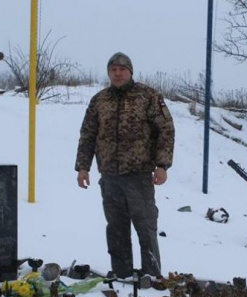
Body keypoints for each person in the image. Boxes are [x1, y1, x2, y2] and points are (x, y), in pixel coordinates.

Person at [75, 52, 175, 279]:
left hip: (138, 176)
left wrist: (162, 165)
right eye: (113, 69)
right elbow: (88, 135)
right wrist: (83, 167)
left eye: (122, 69)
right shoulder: (100, 100)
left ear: (130, 71)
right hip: (110, 177)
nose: (117, 73)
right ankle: (122, 276)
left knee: (145, 228)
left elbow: (166, 130)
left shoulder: (148, 96)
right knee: (117, 229)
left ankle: (151, 277)